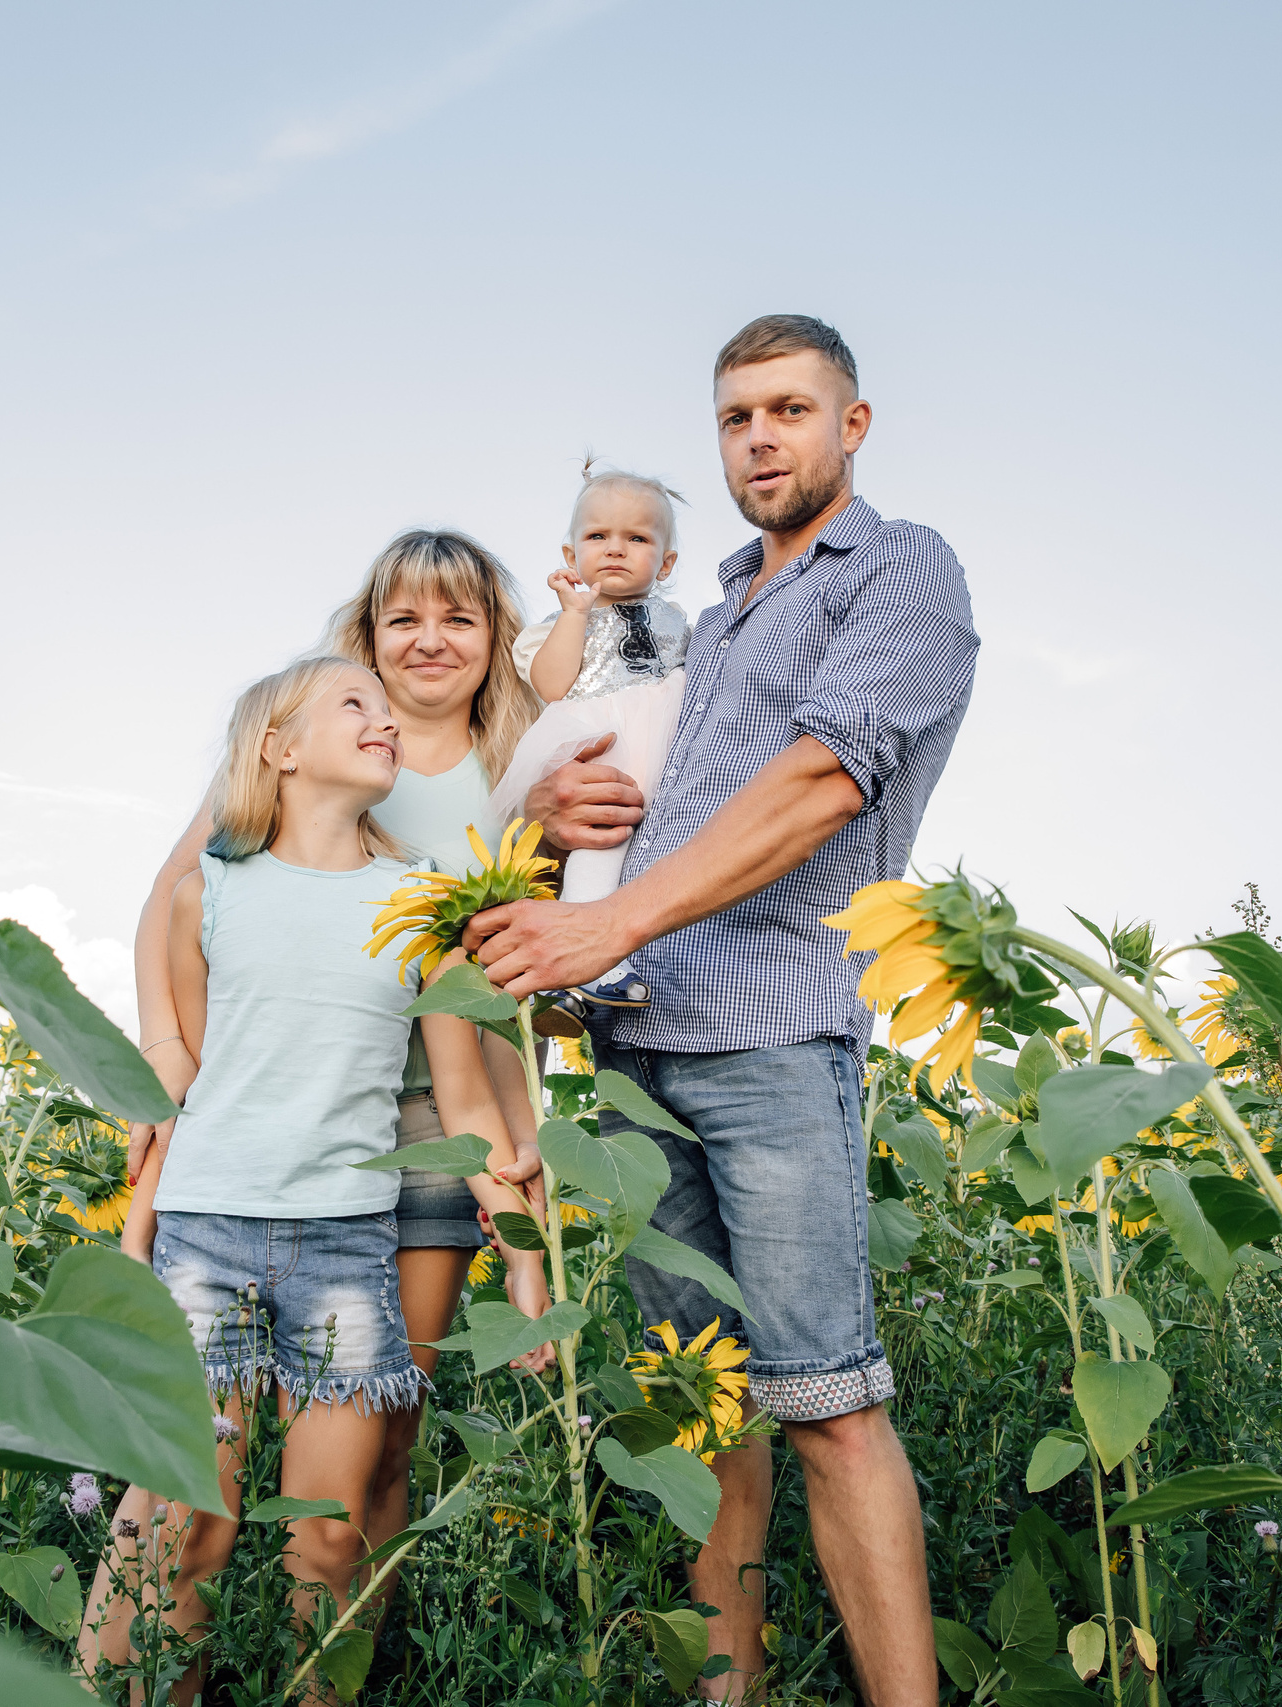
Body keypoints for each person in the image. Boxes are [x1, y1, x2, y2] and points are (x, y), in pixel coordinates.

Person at [467, 314, 979, 1706]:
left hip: (772, 1036)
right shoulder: (714, 612)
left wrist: (610, 919)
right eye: (736, 417)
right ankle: (725, 1691)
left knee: (829, 1402)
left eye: (789, 410)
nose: (760, 438)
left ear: (852, 425)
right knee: (704, 1409)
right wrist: (554, 819)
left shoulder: (900, 568)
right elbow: (631, 786)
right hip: (636, 1045)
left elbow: (825, 778)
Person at [83, 656, 551, 1702]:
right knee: (184, 1525)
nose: (383, 719)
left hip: (347, 1245)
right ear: (279, 748)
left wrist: (523, 1252)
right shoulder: (205, 893)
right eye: (354, 704)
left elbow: (465, 1103)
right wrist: (136, 1230)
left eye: (386, 711)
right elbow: (183, 1086)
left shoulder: (423, 908)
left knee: (329, 1540)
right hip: (205, 1237)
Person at [483, 463, 691, 1030]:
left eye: (637, 538)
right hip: (605, 745)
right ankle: (582, 969)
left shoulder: (680, 620)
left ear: (666, 563)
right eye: (598, 536)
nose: (616, 549)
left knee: (656, 855)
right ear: (571, 555)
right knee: (601, 841)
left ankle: (600, 974)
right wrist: (575, 614)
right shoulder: (562, 622)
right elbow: (552, 684)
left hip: (666, 746)